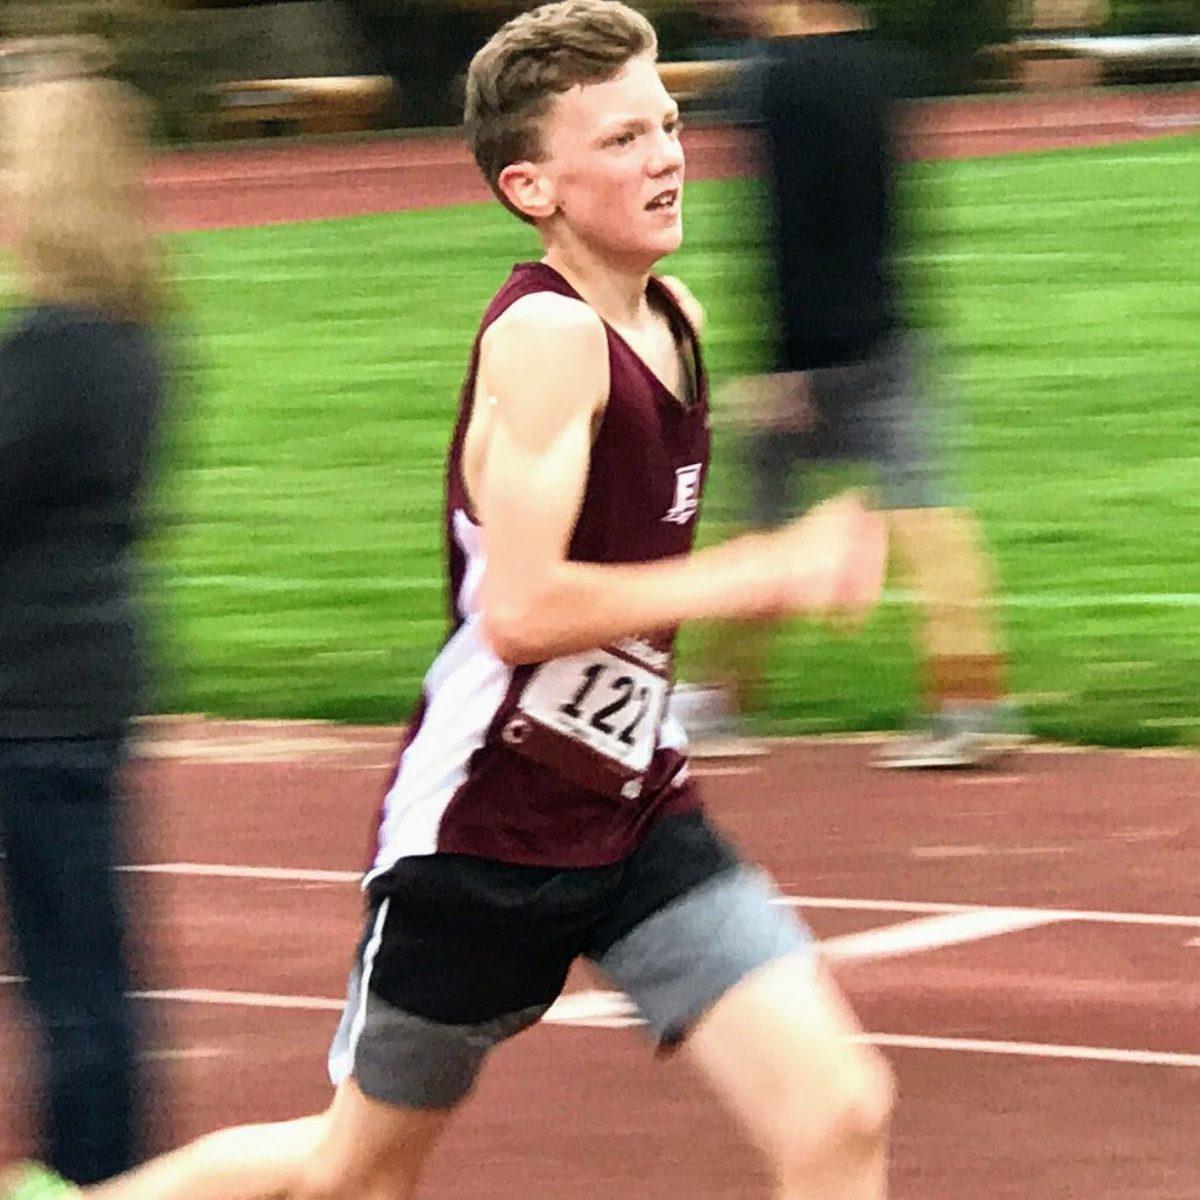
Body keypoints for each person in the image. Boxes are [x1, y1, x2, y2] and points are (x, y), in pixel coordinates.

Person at [4, 4, 894, 1198]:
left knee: (840, 1111)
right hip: (482, 840)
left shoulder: (673, 320)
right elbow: (521, 610)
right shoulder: (547, 338)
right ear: (533, 185)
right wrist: (762, 570)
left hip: (633, 814)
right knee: (351, 1173)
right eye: (624, 138)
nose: (670, 154)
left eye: (670, 123)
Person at [675, 0, 1020, 769]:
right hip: (889, 327)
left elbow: (786, 230)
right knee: (932, 514)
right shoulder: (881, 70)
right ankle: (971, 702)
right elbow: (884, 212)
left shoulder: (771, 81)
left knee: (758, 524)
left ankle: (718, 699)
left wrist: (784, 363)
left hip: (815, 347)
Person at [0, 43, 169, 1191]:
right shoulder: (134, 336)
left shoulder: (51, 352)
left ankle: (91, 1180)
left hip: (30, 698)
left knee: (74, 989)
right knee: (88, 975)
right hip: (82, 680)